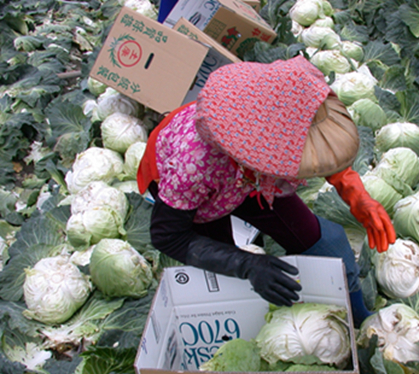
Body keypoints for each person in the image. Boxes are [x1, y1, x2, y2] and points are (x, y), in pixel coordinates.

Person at [137, 55, 396, 328]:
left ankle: (358, 317)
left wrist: (357, 195)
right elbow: (169, 237)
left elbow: (312, 145)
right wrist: (246, 265)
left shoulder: (282, 102)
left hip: (252, 178)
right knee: (224, 269)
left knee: (325, 241)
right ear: (270, 158)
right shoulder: (192, 166)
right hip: (202, 193)